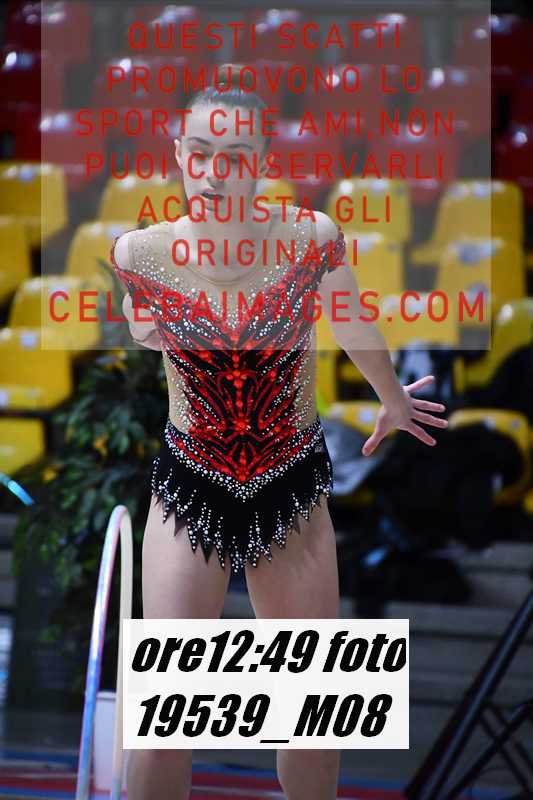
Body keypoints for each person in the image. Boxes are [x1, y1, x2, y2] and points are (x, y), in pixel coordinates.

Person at [110, 63, 448, 800]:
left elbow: (351, 322)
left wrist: (391, 397)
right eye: (201, 153)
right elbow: (142, 330)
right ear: (178, 152)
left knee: (314, 723)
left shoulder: (310, 237)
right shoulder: (138, 253)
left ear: (262, 160)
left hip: (290, 484)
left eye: (235, 157)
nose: (215, 173)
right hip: (189, 483)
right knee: (164, 724)